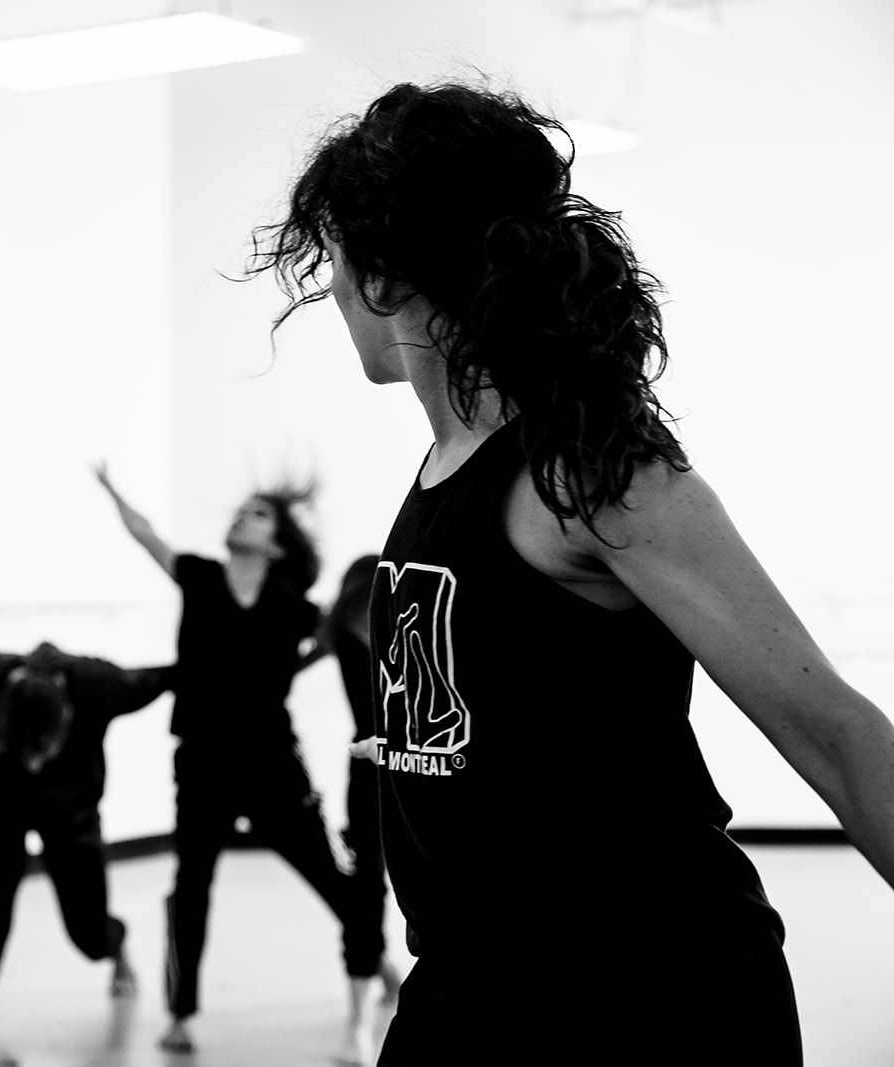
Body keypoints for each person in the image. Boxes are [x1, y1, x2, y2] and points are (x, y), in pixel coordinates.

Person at [244, 80, 894, 1065]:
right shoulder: (444, 468)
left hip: (645, 992)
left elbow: (837, 734)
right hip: (475, 979)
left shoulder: (586, 471)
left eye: (335, 255)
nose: (327, 286)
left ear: (388, 275)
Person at [94, 463, 390, 1064]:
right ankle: (180, 1010)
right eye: (243, 509)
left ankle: (373, 958)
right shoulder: (200, 578)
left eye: (258, 513)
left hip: (274, 764)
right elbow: (147, 535)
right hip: (201, 762)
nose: (241, 516)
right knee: (191, 884)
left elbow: (334, 642)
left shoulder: (295, 609)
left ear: (277, 543)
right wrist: (111, 489)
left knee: (335, 877)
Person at [0, 640, 174, 1065]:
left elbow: (174, 674)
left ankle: (116, 945)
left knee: (87, 935)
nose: (34, 764)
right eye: (25, 752)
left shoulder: (102, 685)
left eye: (41, 752)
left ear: (67, 714)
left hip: (70, 812)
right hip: (1, 797)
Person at [318, 555, 404, 1009]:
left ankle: (387, 971)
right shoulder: (335, 631)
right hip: (369, 768)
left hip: (408, 764)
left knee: (386, 876)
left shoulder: (404, 633)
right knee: (368, 879)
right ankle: (371, 980)